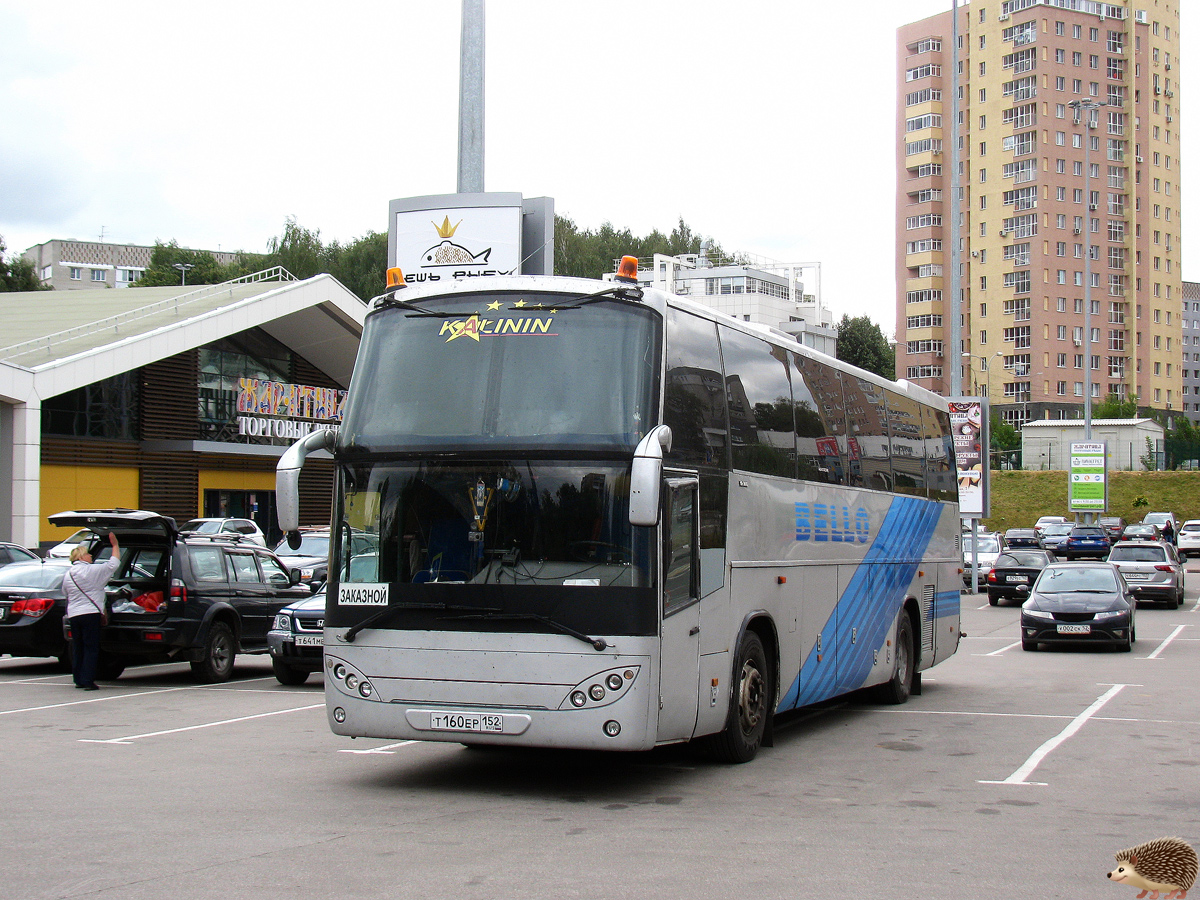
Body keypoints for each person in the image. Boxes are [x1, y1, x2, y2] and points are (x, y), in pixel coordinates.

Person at [64, 532, 120, 691]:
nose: (90, 556)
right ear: (82, 557)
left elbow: (65, 593)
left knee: (78, 647)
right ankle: (88, 680)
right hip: (90, 614)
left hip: (74, 615)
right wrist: (115, 545)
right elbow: (113, 564)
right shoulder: (92, 571)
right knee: (91, 647)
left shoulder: (68, 574)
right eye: (88, 554)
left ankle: (78, 679)